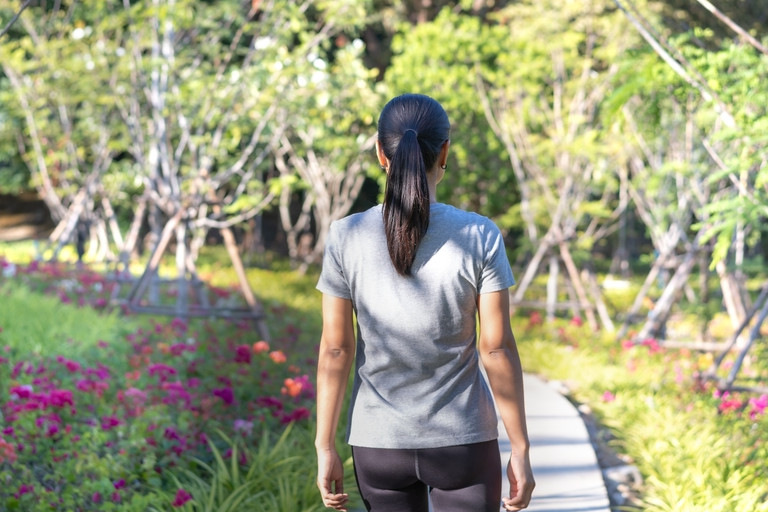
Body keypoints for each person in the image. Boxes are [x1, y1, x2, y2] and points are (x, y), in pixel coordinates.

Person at [315, 93, 534, 512]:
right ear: (444, 151)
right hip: (463, 443)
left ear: (382, 153)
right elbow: (496, 348)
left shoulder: (347, 236)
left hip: (378, 444)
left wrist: (325, 444)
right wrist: (520, 447)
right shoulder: (480, 235)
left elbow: (335, 349)